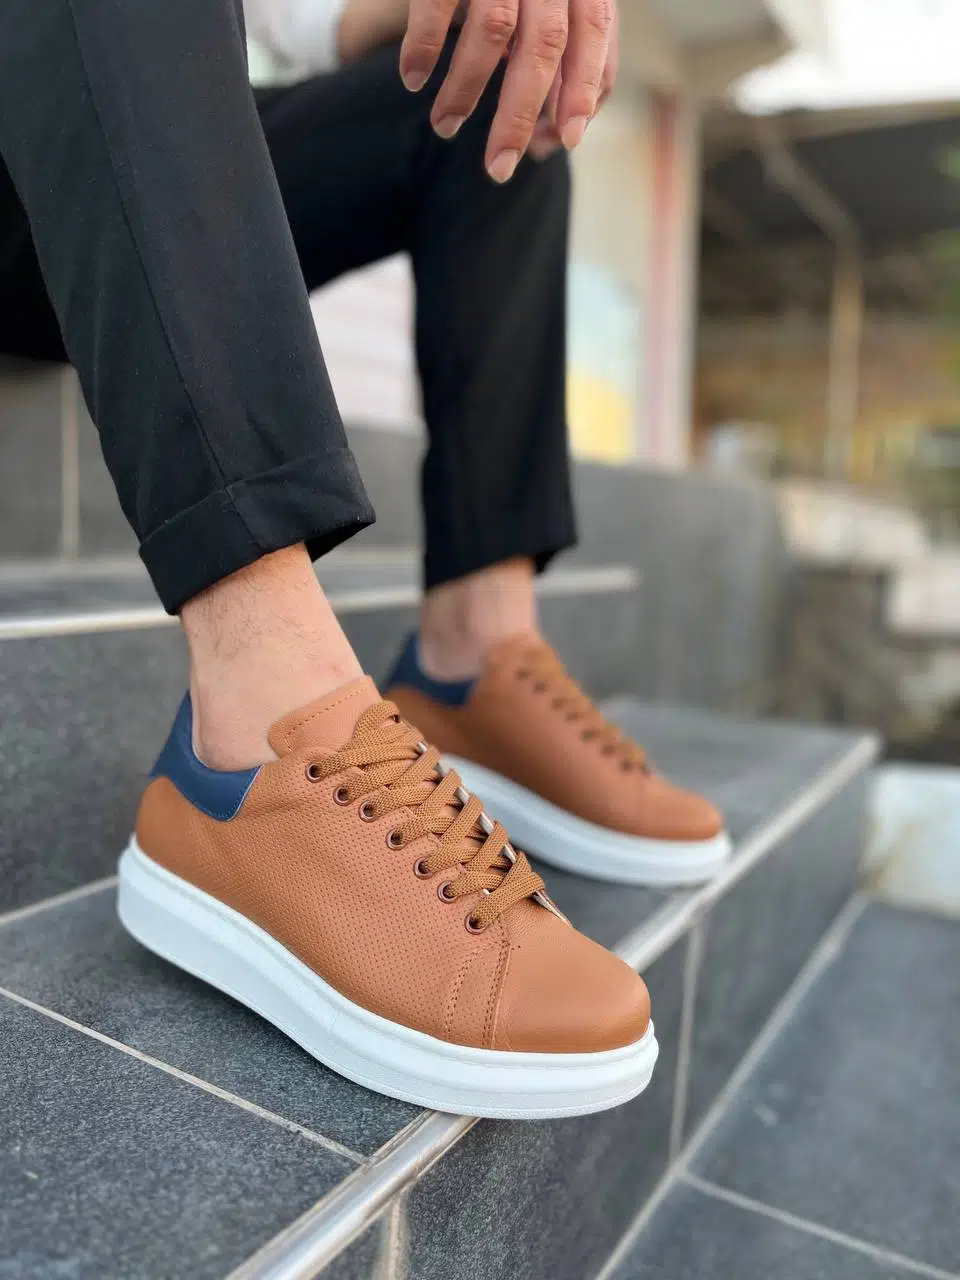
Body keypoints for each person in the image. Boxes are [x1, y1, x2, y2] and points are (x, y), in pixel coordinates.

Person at [0, 0, 725, 1119]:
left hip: (111, 155)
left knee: (494, 77)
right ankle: (259, 718)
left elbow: (298, 24)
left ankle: (474, 653)